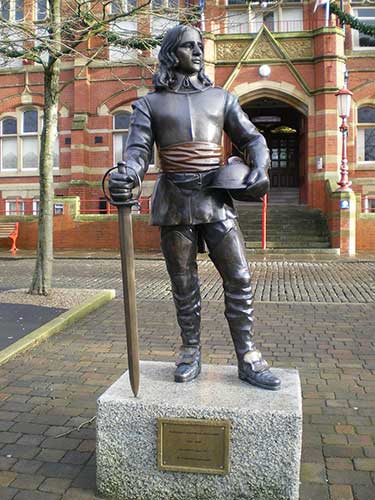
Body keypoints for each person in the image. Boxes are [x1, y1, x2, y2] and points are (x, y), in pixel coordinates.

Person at [109, 24, 281, 390]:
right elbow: (137, 152)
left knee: (239, 278)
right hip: (173, 203)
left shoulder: (222, 98)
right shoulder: (148, 104)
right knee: (184, 285)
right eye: (189, 47)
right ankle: (190, 350)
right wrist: (127, 175)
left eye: (200, 46)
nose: (198, 52)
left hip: (216, 200)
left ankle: (248, 355)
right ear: (172, 53)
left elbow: (253, 138)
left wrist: (261, 167)